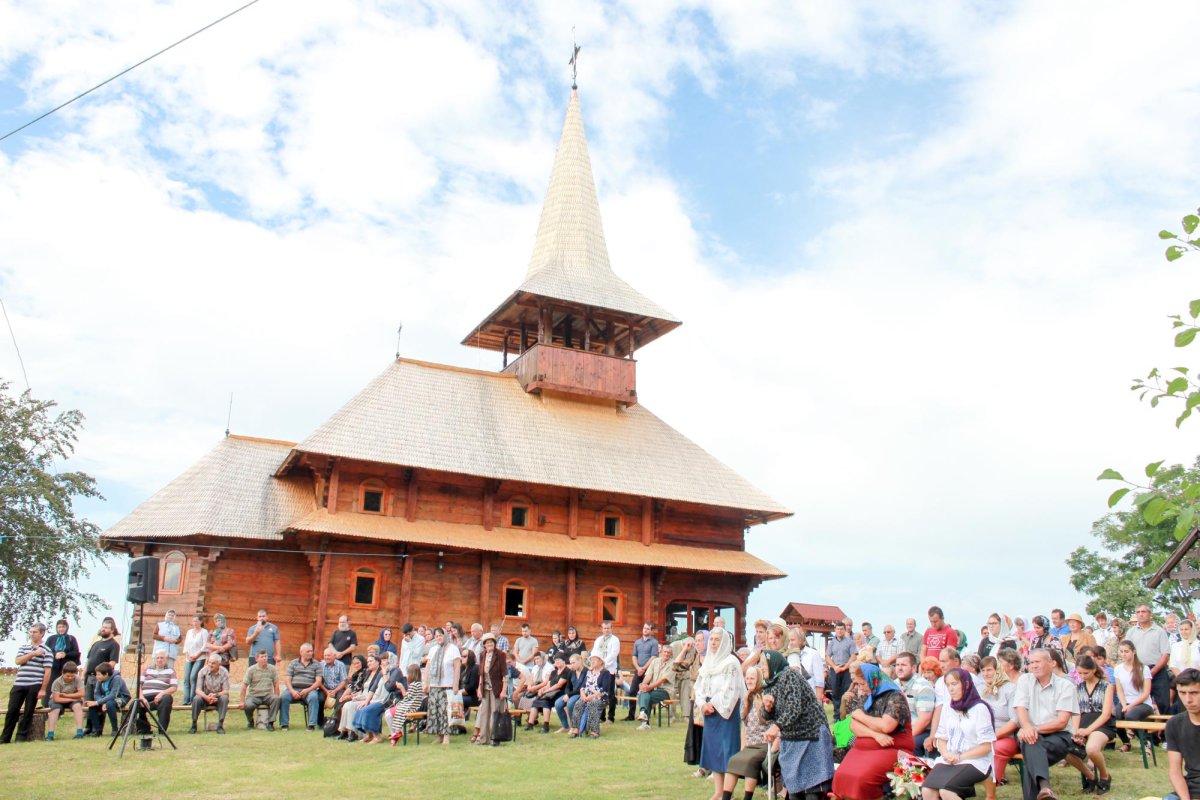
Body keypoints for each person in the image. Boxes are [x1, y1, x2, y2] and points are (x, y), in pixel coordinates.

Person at [760, 650, 834, 800]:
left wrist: (776, 727)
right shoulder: (770, 683)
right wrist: (767, 709)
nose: (761, 667)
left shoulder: (789, 675)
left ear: (773, 662)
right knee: (795, 791)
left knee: (812, 791)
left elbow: (794, 708)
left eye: (763, 663)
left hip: (811, 736)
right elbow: (768, 716)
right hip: (792, 739)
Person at [832, 662, 913, 800]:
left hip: (892, 747)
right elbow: (853, 726)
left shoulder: (895, 696)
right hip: (867, 746)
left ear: (873, 680)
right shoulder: (866, 695)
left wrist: (862, 717)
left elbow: (887, 726)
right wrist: (875, 734)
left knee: (861, 779)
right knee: (842, 776)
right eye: (858, 684)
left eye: (863, 684)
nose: (861, 688)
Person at [1013, 648, 1079, 800]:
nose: (1033, 666)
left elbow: (1062, 722)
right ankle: (1045, 788)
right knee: (1031, 743)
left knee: (1031, 748)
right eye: (1030, 663)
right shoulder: (1025, 680)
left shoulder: (1066, 686)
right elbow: (1020, 708)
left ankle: (1044, 787)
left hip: (1058, 736)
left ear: (1051, 663)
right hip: (1030, 733)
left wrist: (1032, 729)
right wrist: (1027, 727)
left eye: (1037, 662)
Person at [922, 667, 996, 800]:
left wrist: (959, 757)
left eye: (954, 684)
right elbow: (942, 738)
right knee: (927, 790)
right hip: (950, 759)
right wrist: (946, 754)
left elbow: (986, 747)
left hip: (975, 760)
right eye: (948, 685)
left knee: (946, 791)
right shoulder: (947, 707)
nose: (950, 689)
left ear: (966, 684)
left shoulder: (980, 708)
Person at [696, 629, 748, 800]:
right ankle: (718, 791)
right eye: (712, 640)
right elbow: (700, 686)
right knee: (714, 752)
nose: (713, 643)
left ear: (724, 642)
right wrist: (703, 704)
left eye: (717, 640)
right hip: (710, 712)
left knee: (727, 752)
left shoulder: (731, 662)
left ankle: (728, 793)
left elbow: (731, 689)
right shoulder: (708, 662)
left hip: (726, 712)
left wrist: (714, 704)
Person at [723, 666, 774, 800]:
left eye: (752, 678)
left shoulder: (766, 696)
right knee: (733, 760)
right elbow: (744, 726)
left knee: (750, 761)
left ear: (758, 680)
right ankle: (725, 797)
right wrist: (742, 746)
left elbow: (773, 723)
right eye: (747, 678)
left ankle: (747, 798)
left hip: (764, 743)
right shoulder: (746, 698)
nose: (749, 681)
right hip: (750, 744)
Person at [1069, 654, 1114, 794]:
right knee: (1065, 749)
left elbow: (1106, 714)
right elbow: (1076, 712)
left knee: (1092, 748)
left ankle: (1105, 776)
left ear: (1094, 670)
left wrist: (1087, 730)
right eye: (1080, 673)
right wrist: (1076, 731)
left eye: (1085, 673)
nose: (1082, 676)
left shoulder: (1106, 686)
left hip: (1101, 723)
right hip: (1082, 723)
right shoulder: (1078, 687)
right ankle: (1089, 775)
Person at [1, 622, 52, 744]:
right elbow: (18, 661)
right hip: (19, 683)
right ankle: (5, 737)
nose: (32, 634)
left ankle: (21, 737)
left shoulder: (47, 650)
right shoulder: (24, 647)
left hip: (34, 683)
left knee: (29, 711)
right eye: (30, 632)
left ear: (42, 633)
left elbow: (47, 671)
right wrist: (33, 653)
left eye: (34, 632)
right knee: (12, 710)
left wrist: (43, 689)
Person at [981, 653, 1019, 797]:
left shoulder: (1011, 689)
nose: (986, 673)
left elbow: (1014, 721)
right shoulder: (982, 690)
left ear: (998, 671)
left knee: (997, 748)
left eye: (989, 670)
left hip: (1006, 736)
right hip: (985, 735)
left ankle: (993, 783)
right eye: (983, 670)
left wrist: (993, 736)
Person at [1127, 603, 1173, 717]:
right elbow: (1127, 652)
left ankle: (1165, 733)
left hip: (1157, 671)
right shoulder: (1131, 632)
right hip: (1138, 671)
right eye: (1138, 612)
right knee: (1140, 704)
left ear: (1150, 614)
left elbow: (1165, 654)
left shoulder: (1159, 631)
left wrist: (1152, 672)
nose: (1140, 614)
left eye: (1143, 612)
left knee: (1163, 703)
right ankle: (1146, 734)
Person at [81, 618, 120, 735]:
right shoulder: (96, 643)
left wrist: (104, 676)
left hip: (102, 679)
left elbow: (112, 663)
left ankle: (97, 729)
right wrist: (84, 673)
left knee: (100, 702)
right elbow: (89, 660)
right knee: (90, 702)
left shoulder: (114, 645)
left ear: (112, 630)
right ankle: (88, 727)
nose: (103, 629)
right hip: (90, 677)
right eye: (102, 627)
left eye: (106, 628)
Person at [1114, 637, 1155, 750]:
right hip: (1125, 701)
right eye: (1121, 651)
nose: (1123, 654)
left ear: (1133, 652)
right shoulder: (1118, 669)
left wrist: (1130, 706)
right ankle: (1126, 743)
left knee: (1130, 715)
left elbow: (1146, 693)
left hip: (1143, 703)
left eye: (1126, 651)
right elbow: (1120, 690)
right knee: (1115, 715)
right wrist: (1123, 705)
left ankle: (1145, 743)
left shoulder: (1144, 668)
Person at [422, 626, 461, 745]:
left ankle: (446, 736)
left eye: (441, 635)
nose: (439, 638)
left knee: (446, 711)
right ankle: (439, 735)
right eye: (437, 636)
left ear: (445, 636)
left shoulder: (453, 648)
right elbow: (428, 667)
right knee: (435, 711)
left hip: (447, 684)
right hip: (435, 685)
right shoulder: (433, 649)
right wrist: (426, 682)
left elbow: (457, 667)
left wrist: (455, 684)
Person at [1166, 667, 1200, 800]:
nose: (1188, 700)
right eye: (1182, 693)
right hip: (1190, 787)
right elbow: (1175, 771)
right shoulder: (1174, 724)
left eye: (1194, 693)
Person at [895, 651, 936, 754]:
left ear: (914, 668)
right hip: (897, 729)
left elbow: (924, 720)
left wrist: (903, 738)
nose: (899, 668)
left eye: (903, 665)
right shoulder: (893, 684)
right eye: (897, 665)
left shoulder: (923, 686)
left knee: (910, 744)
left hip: (920, 731)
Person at [471, 632, 508, 746]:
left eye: (491, 642)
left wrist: (504, 691)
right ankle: (483, 739)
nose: (489, 644)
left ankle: (494, 739)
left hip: (497, 689)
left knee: (495, 713)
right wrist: (479, 688)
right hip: (485, 688)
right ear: (484, 644)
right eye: (487, 642)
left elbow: (505, 674)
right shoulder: (483, 654)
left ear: (494, 643)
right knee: (484, 713)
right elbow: (481, 673)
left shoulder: (500, 654)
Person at [351, 652, 396, 744]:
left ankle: (377, 736)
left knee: (368, 711)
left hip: (386, 701)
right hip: (376, 699)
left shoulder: (395, 671)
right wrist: (366, 701)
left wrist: (384, 673)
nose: (383, 662)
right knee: (360, 709)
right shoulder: (381, 672)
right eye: (382, 660)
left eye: (385, 660)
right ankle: (369, 735)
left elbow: (389, 687)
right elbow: (373, 688)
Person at [338, 654, 383, 741]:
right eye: (368, 661)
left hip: (371, 698)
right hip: (363, 695)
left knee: (351, 706)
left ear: (377, 662)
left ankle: (354, 733)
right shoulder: (368, 673)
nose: (369, 663)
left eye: (371, 661)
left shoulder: (380, 674)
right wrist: (355, 696)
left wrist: (363, 699)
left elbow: (376, 691)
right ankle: (344, 731)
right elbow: (362, 689)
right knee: (346, 705)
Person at [569, 653, 614, 739]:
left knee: (593, 704)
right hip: (587, 697)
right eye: (591, 660)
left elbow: (603, 690)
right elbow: (582, 687)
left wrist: (590, 697)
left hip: (600, 698)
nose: (592, 662)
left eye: (594, 660)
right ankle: (575, 730)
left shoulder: (605, 673)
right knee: (578, 703)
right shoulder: (589, 672)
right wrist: (583, 695)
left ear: (601, 662)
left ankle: (594, 732)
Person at [280, 642, 323, 731]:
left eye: (311, 651)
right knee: (283, 697)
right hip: (294, 688)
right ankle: (284, 724)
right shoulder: (293, 663)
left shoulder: (317, 664)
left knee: (314, 697)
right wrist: (292, 691)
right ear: (301, 652)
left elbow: (318, 682)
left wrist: (308, 690)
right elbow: (287, 679)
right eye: (308, 651)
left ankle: (311, 724)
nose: (310, 653)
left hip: (309, 689)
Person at [137, 648, 178, 734]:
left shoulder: (171, 670)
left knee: (167, 699)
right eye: (158, 658)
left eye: (162, 658)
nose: (159, 660)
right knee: (134, 704)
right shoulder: (147, 669)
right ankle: (145, 729)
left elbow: (174, 687)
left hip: (161, 696)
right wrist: (141, 697)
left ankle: (162, 730)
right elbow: (139, 685)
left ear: (166, 659)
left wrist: (161, 693)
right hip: (145, 696)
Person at [635, 644, 676, 728]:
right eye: (665, 652)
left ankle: (644, 722)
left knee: (646, 695)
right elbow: (648, 675)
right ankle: (644, 717)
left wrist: (648, 687)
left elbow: (663, 680)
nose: (666, 654)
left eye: (669, 653)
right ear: (661, 652)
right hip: (653, 689)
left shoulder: (673, 664)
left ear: (671, 655)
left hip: (666, 691)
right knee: (645, 693)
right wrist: (643, 685)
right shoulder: (655, 661)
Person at [626, 622, 661, 721]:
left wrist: (644, 668)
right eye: (644, 628)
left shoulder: (654, 642)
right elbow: (634, 656)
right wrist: (638, 668)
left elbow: (653, 657)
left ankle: (646, 714)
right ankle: (631, 715)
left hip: (649, 671)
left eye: (648, 629)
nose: (645, 630)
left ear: (651, 631)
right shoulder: (637, 642)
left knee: (647, 691)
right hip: (638, 670)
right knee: (632, 691)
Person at [189, 653, 230, 734]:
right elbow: (198, 690)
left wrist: (216, 695)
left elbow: (226, 690)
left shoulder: (224, 672)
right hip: (205, 697)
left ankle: (220, 725)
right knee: (196, 698)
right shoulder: (202, 671)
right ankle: (194, 725)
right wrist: (206, 697)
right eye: (209, 662)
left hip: (217, 697)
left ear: (219, 664)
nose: (210, 665)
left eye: (213, 663)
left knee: (224, 698)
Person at [44, 660, 85, 740]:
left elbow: (82, 694)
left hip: (71, 699)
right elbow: (56, 699)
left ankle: (79, 733)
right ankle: (50, 734)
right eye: (68, 676)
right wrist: (71, 698)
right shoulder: (57, 682)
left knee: (77, 706)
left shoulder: (77, 679)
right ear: (62, 673)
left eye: (72, 676)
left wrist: (66, 695)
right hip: (60, 701)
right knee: (55, 709)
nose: (70, 678)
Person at [85, 662, 129, 736]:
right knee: (92, 706)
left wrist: (98, 702)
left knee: (110, 704)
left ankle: (115, 730)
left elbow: (113, 695)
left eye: (99, 674)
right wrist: (102, 703)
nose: (97, 676)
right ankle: (97, 730)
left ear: (106, 674)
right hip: (106, 699)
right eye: (96, 674)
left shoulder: (116, 679)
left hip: (121, 698)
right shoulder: (100, 680)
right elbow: (97, 694)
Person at [386, 664, 426, 744]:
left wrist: (401, 688)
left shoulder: (414, 685)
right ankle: (395, 733)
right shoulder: (417, 684)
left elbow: (407, 697)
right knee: (387, 713)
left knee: (388, 715)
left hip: (411, 708)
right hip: (410, 706)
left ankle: (395, 734)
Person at [241, 650, 280, 731]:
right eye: (262, 657)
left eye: (266, 656)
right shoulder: (251, 670)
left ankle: (270, 723)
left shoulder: (272, 669)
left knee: (276, 699)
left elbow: (276, 685)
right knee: (248, 705)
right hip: (254, 696)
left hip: (267, 695)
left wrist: (276, 695)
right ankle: (250, 721)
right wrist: (242, 701)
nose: (265, 658)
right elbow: (244, 686)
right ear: (256, 659)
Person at [591, 620, 621, 723]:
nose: (606, 630)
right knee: (600, 692)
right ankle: (601, 717)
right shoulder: (599, 639)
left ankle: (611, 717)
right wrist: (596, 663)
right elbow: (594, 651)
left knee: (610, 693)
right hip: (599, 670)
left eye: (608, 628)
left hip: (609, 670)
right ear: (602, 629)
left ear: (611, 628)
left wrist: (603, 664)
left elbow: (613, 654)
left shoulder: (615, 640)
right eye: (604, 628)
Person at [44, 620, 82, 703]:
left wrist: (65, 654)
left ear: (66, 628)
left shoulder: (71, 638)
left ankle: (66, 704)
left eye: (63, 627)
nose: (61, 629)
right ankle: (47, 707)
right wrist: (55, 654)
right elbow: (45, 651)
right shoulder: (51, 639)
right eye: (59, 627)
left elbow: (76, 652)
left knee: (66, 687)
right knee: (50, 686)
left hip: (66, 668)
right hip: (53, 668)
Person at [825, 621, 856, 721]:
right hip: (835, 669)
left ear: (844, 629)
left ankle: (847, 715)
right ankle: (837, 715)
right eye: (838, 629)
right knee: (835, 692)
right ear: (835, 630)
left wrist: (845, 667)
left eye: (841, 629)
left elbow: (853, 656)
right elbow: (827, 656)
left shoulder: (850, 642)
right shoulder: (832, 643)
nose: (839, 631)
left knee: (846, 691)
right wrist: (834, 667)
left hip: (846, 669)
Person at [532, 653, 570, 733]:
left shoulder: (567, 671)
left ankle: (546, 725)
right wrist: (542, 689)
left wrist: (546, 691)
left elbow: (559, 685)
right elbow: (549, 684)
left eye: (558, 660)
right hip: (551, 693)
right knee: (537, 700)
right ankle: (530, 723)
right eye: (555, 660)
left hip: (561, 693)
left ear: (564, 661)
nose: (556, 662)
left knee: (547, 702)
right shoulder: (554, 672)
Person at [181, 614, 209, 706]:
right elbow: (186, 645)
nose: (195, 623)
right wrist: (187, 654)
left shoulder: (204, 632)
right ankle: (186, 699)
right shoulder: (189, 632)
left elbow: (205, 645)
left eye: (196, 621)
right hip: (189, 658)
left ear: (200, 622)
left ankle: (192, 699)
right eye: (193, 621)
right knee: (186, 678)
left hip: (199, 657)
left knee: (193, 677)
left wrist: (197, 655)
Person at [555, 652, 585, 734]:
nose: (572, 665)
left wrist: (569, 695)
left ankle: (574, 726)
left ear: (580, 661)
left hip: (582, 694)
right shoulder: (571, 672)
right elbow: (568, 686)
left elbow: (583, 687)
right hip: (571, 694)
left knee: (570, 703)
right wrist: (567, 694)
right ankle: (565, 726)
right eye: (571, 663)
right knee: (558, 703)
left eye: (573, 663)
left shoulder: (586, 672)